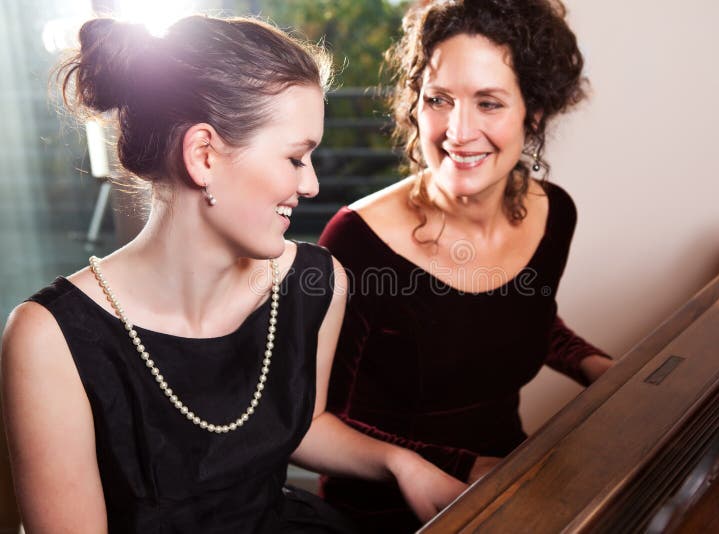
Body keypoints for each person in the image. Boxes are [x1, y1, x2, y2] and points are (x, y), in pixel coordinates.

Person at [0, 15, 466, 533]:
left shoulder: (317, 283)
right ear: (203, 156)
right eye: (295, 157)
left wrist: (401, 463)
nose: (310, 184)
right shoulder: (49, 338)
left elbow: (301, 424)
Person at [317, 0, 614, 531]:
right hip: (382, 511)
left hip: (508, 483)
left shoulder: (555, 215)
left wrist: (595, 366)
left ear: (535, 110)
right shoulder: (356, 242)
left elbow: (513, 319)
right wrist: (458, 468)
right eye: (439, 99)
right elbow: (314, 422)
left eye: (489, 103)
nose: (458, 130)